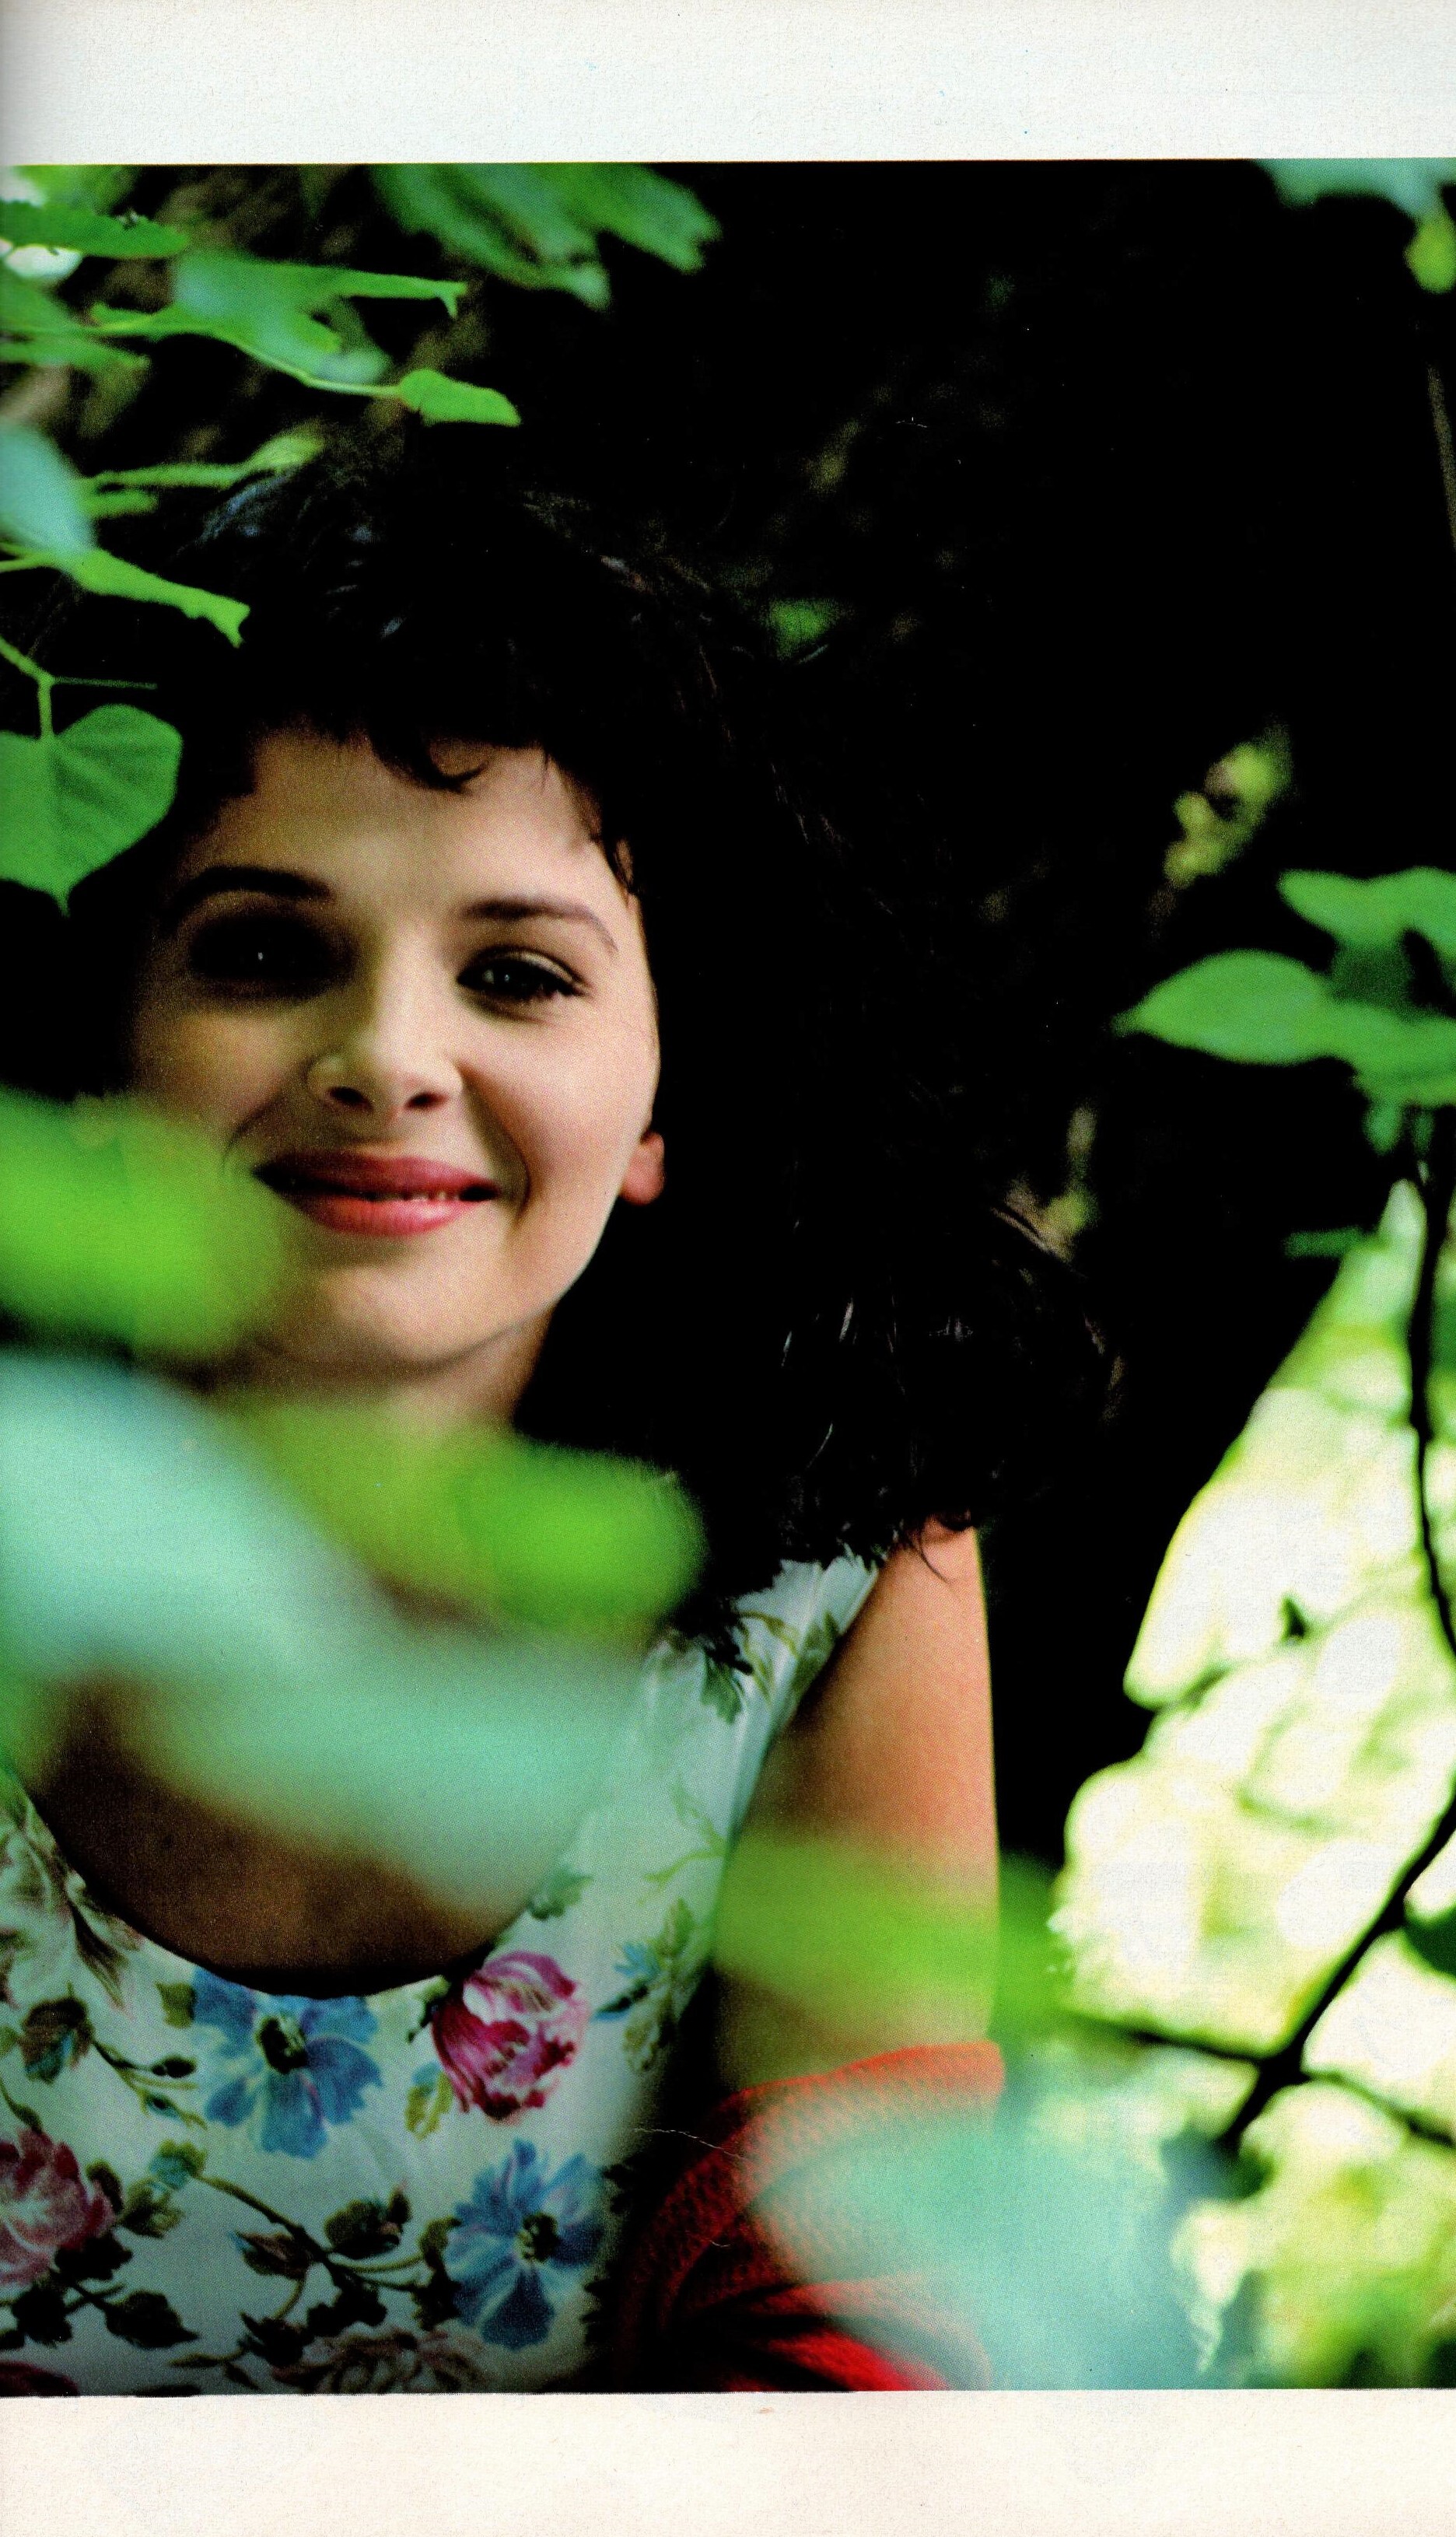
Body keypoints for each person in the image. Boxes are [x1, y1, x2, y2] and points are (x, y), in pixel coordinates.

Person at [0, 447, 1101, 2394]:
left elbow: (857, 2321)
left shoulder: (831, 1555)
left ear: (668, 1098)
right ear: (96, 1050)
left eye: (514, 976)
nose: (386, 1060)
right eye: (262, 951)